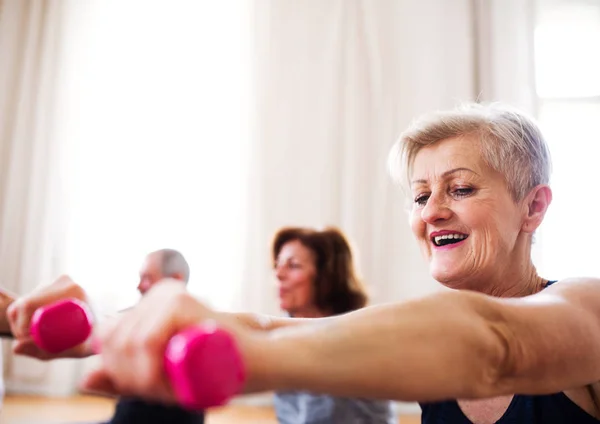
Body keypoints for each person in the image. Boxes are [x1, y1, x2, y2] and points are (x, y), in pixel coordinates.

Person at [8, 102, 600, 423]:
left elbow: (494, 347)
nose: (432, 212)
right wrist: (95, 329)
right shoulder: (420, 333)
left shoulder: (587, 308)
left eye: (461, 189)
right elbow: (265, 325)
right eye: (420, 197)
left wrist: (243, 358)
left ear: (533, 207)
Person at [272, 226, 395, 423]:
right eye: (277, 264)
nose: (278, 273)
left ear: (326, 277)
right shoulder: (286, 337)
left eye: (293, 265)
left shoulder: (354, 342)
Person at [103, 249, 203, 424]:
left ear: (175, 280)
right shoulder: (138, 319)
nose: (139, 286)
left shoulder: (192, 330)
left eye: (147, 278)